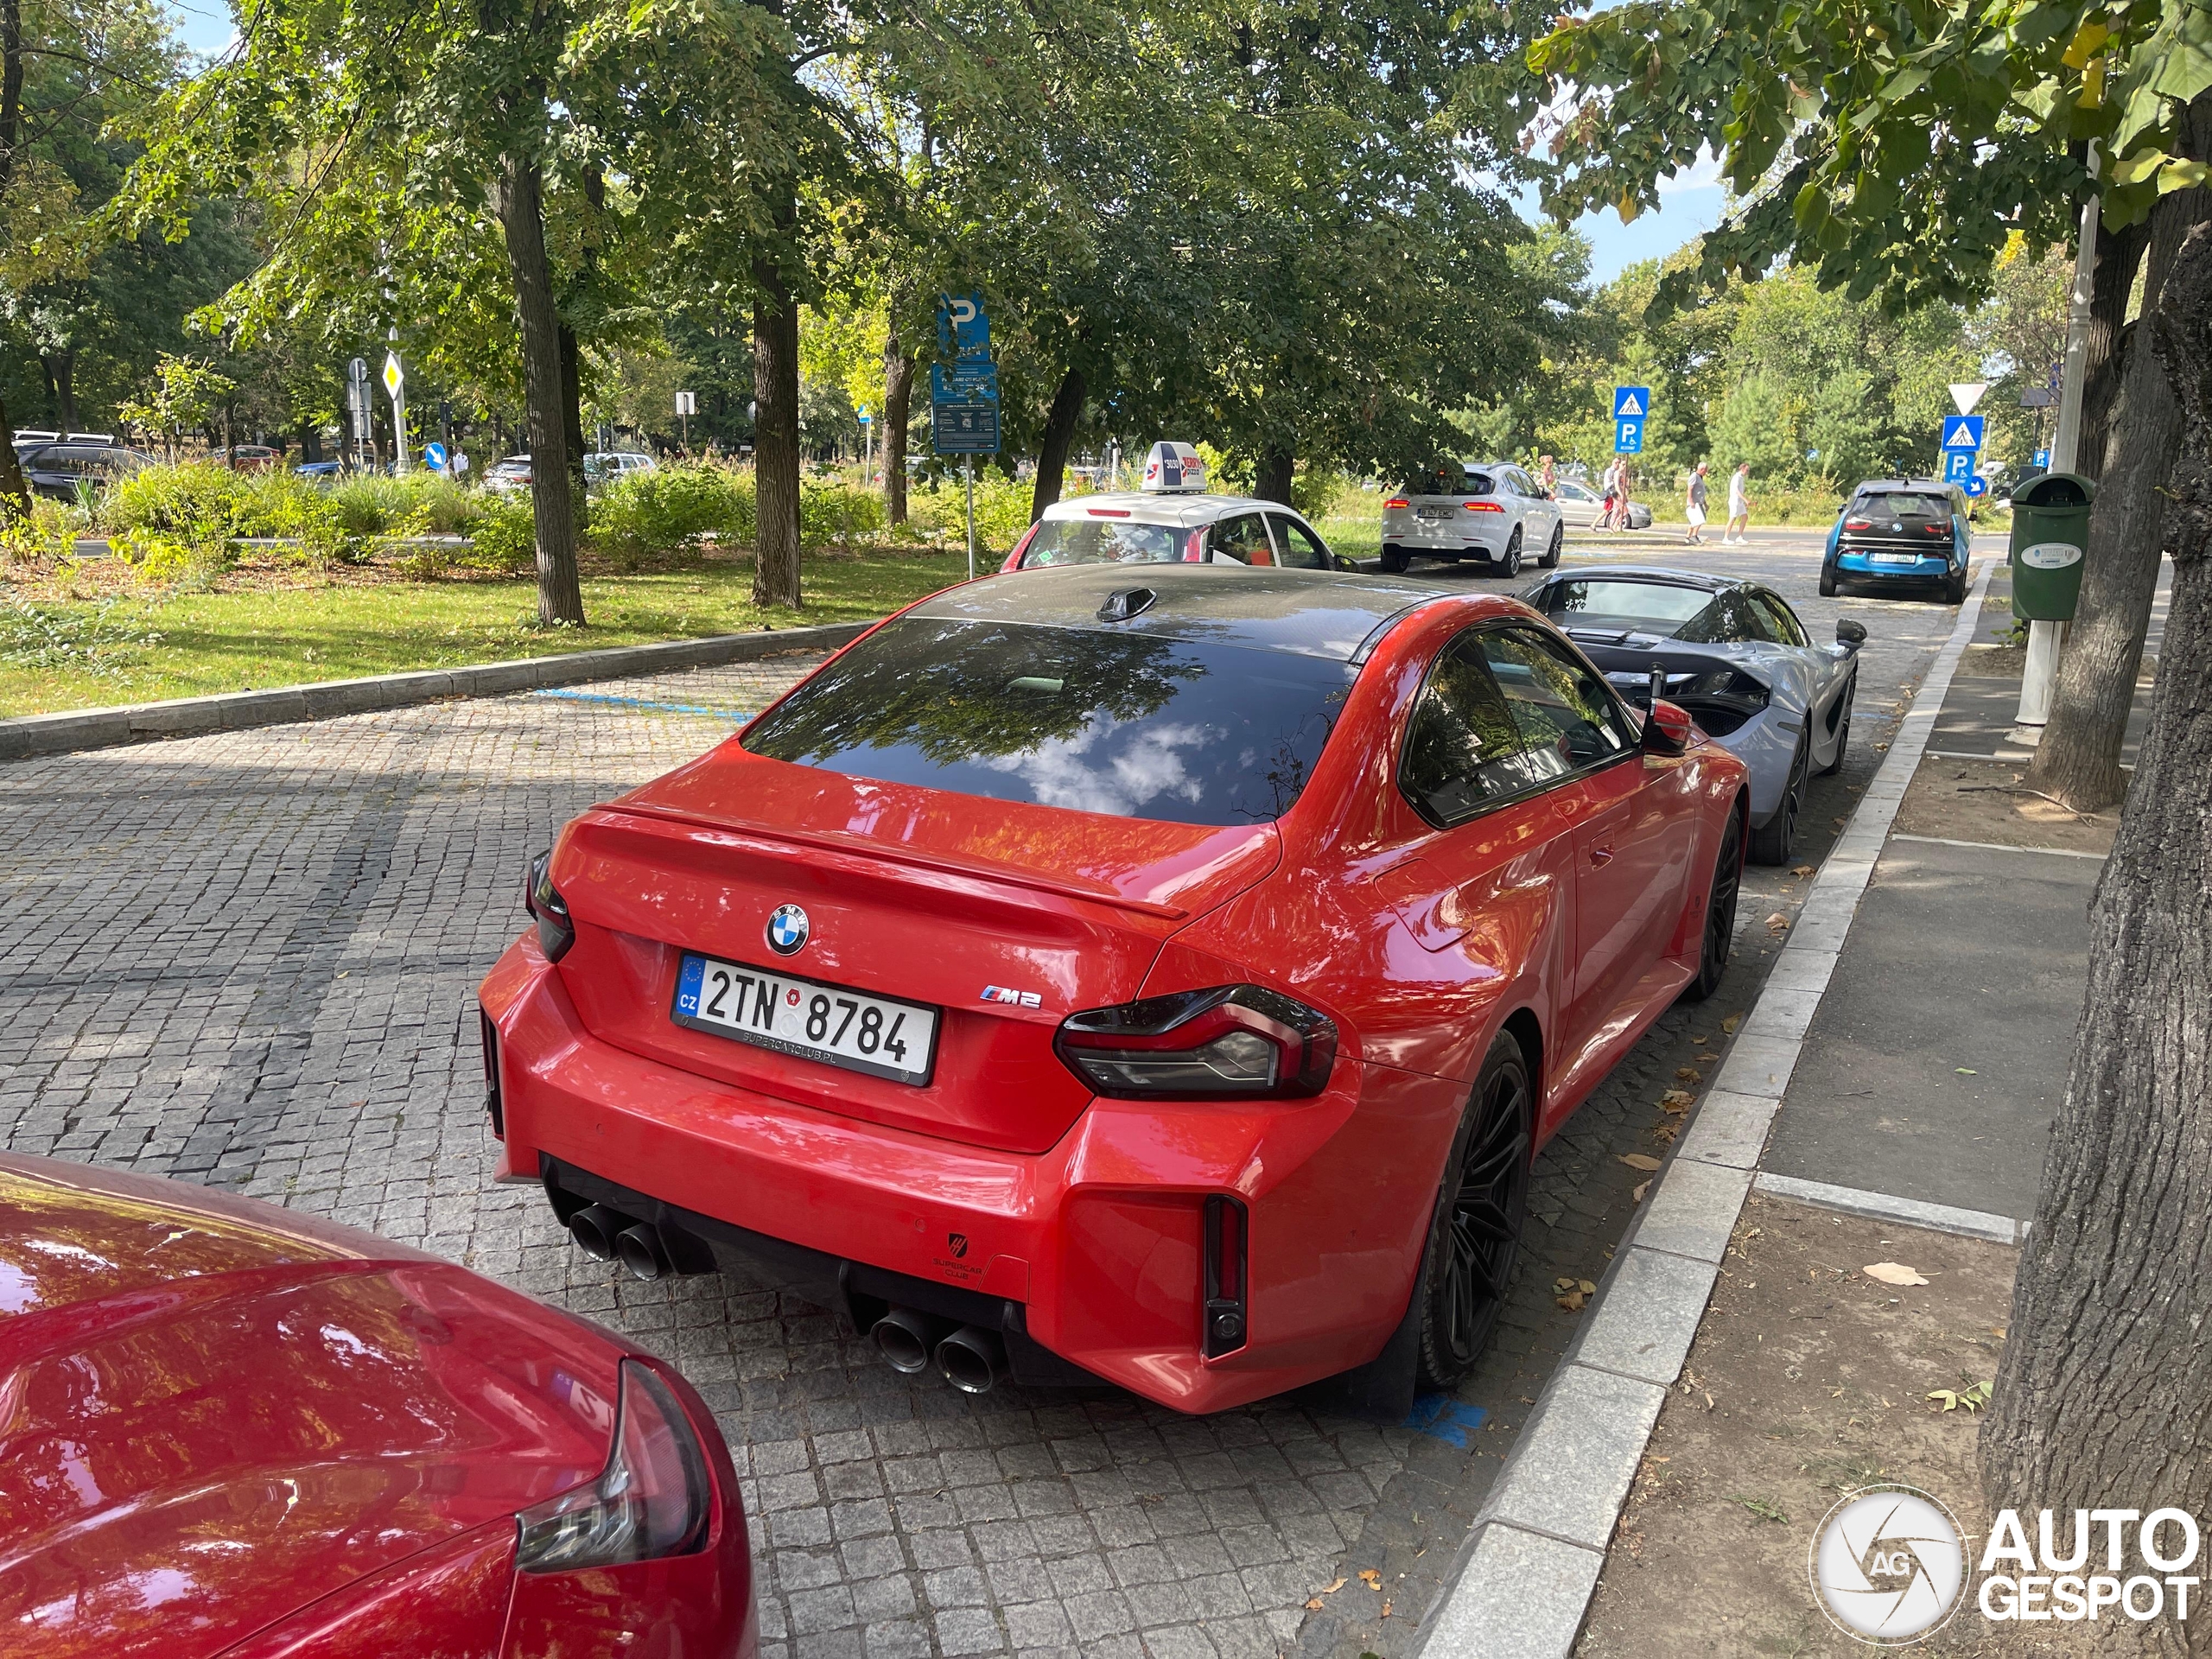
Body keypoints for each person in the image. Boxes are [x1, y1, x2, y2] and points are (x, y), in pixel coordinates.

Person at [1725, 462, 1751, 543]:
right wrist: (1745, 500)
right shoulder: (1736, 477)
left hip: (1739, 502)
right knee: (1732, 518)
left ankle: (1739, 536)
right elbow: (1736, 491)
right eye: (1747, 470)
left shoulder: (1741, 478)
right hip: (1734, 501)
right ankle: (1725, 538)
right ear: (1742, 469)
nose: (1747, 472)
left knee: (1745, 517)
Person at [1684, 462, 1709, 543]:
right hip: (1695, 503)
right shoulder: (1694, 476)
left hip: (1699, 502)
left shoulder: (1700, 477)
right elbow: (1690, 489)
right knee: (1700, 519)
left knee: (1694, 521)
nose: (1706, 472)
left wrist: (1705, 504)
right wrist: (1691, 501)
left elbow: (1700, 492)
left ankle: (1688, 537)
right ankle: (1694, 536)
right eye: (1706, 470)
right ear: (1702, 469)